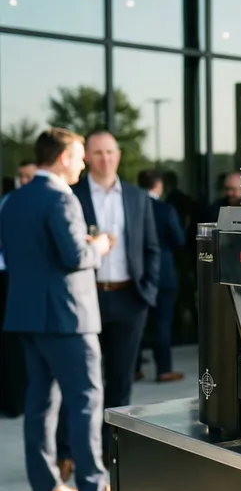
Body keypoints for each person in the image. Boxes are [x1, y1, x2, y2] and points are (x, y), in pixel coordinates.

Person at [0, 128, 113, 491]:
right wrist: (99, 246)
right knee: (85, 400)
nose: (83, 163)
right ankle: (93, 488)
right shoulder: (62, 198)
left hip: (27, 316)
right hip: (67, 316)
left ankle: (45, 486)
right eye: (80, 156)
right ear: (63, 157)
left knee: (40, 404)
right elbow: (74, 256)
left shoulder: (14, 199)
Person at [72, 130, 159, 457]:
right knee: (83, 380)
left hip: (129, 299)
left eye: (110, 152)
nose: (105, 159)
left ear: (118, 155)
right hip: (85, 298)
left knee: (121, 380)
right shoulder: (73, 195)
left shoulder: (137, 197)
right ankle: (78, 450)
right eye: (97, 152)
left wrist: (147, 291)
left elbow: (152, 248)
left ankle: (112, 452)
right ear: (86, 157)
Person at [138, 169, 187, 383]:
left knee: (137, 324)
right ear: (158, 185)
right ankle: (163, 369)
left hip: (137, 272)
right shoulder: (165, 209)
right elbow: (179, 239)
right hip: (163, 272)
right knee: (162, 323)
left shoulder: (132, 207)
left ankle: (133, 368)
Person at [0, 159, 38, 416]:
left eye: (28, 176)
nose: (23, 181)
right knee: (11, 341)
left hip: (30, 279)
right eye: (20, 176)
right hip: (8, 276)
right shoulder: (9, 202)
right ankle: (13, 401)